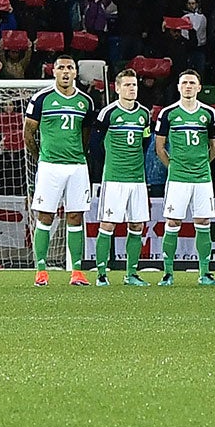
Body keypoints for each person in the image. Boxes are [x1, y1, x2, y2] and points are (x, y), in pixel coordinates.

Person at [22, 54, 93, 286]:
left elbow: (86, 134)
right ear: (53, 71)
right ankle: (41, 270)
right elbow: (28, 133)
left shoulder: (85, 101)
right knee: (45, 215)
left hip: (77, 167)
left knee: (75, 215)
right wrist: (41, 158)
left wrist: (78, 155)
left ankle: (77, 272)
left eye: (69, 68)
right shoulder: (41, 98)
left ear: (75, 73)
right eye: (61, 67)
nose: (65, 71)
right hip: (50, 166)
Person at [153, 68, 215, 286]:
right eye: (184, 83)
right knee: (173, 221)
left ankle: (204, 273)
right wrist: (174, 167)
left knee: (203, 222)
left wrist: (200, 164)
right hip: (178, 179)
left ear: (199, 87)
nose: (188, 86)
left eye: (192, 83)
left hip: (202, 178)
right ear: (178, 87)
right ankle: (168, 273)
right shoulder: (168, 113)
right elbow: (160, 147)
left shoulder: (209, 114)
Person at [89, 67, 153, 285]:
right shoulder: (108, 113)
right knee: (107, 225)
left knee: (137, 225)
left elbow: (145, 142)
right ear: (117, 88)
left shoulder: (144, 114)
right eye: (126, 85)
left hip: (137, 178)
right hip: (115, 178)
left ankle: (131, 274)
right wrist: (110, 164)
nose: (131, 88)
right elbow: (95, 145)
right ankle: (101, 274)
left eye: (134, 85)